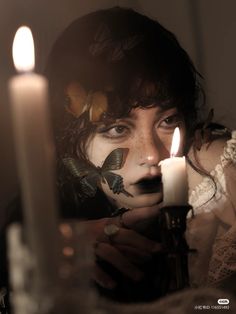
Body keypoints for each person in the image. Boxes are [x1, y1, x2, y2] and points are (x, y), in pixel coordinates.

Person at [1, 7, 235, 312]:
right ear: (68, 143)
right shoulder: (45, 229)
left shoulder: (209, 167)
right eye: (117, 128)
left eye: (167, 120)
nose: (152, 154)